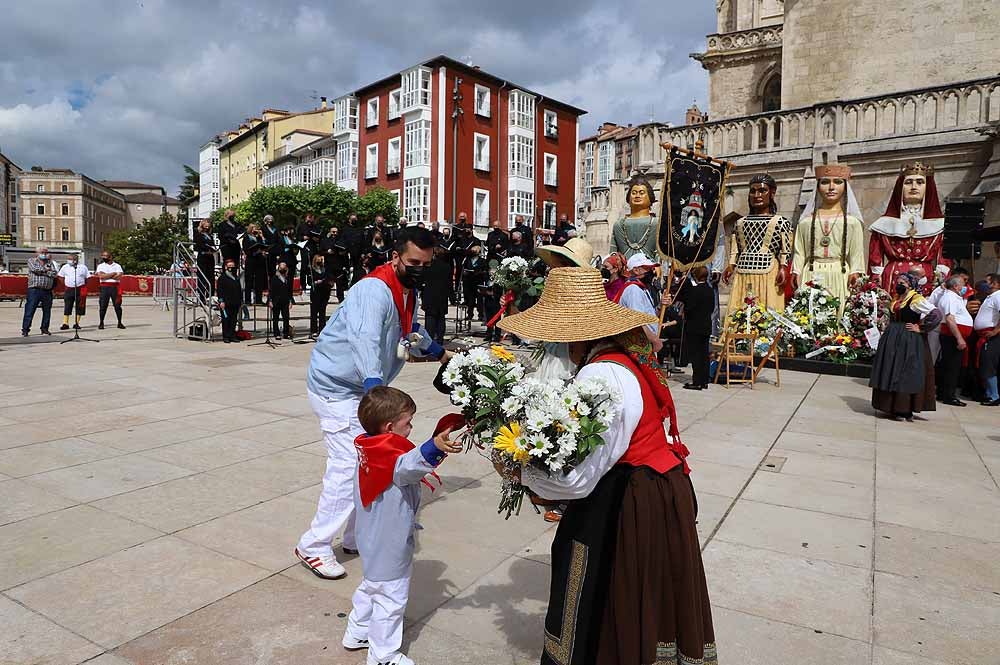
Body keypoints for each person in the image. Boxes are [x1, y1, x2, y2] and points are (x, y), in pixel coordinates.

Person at [496, 267, 716, 665]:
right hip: (651, 488)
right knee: (634, 599)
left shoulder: (603, 374)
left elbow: (579, 479)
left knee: (596, 590)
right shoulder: (621, 358)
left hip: (631, 498)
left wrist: (520, 471)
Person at [295, 227, 450, 581]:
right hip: (338, 389)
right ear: (394, 256)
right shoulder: (373, 290)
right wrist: (375, 392)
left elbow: (411, 332)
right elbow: (365, 339)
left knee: (368, 463)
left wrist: (442, 355)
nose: (419, 269)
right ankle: (314, 546)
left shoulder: (405, 293)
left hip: (359, 389)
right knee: (348, 464)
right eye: (413, 262)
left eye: (426, 264)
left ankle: (354, 536)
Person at [343, 387, 461, 665]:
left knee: (372, 586)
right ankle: (383, 655)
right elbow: (410, 465)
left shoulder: (369, 447)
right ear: (389, 427)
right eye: (407, 423)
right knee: (390, 598)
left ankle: (357, 632)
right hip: (389, 541)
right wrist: (434, 447)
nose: (412, 427)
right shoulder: (392, 460)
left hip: (371, 538)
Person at [791, 164, 866, 316]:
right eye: (825, 182)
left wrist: (856, 273)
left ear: (845, 187)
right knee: (808, 319)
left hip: (839, 274)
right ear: (818, 187)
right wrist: (796, 271)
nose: (831, 187)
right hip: (810, 274)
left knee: (838, 319)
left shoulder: (852, 222)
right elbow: (799, 252)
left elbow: (857, 254)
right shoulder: (805, 222)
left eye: (837, 182)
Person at [869, 272, 941, 421]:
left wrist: (920, 328)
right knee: (890, 368)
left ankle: (904, 408)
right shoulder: (897, 298)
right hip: (892, 336)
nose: (899, 285)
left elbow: (936, 314)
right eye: (898, 282)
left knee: (905, 372)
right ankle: (890, 406)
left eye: (903, 282)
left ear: (911, 284)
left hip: (907, 339)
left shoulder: (916, 299)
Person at [868, 162, 947, 295]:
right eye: (908, 182)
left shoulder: (939, 224)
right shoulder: (884, 224)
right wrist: (876, 285)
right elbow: (875, 259)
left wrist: (940, 282)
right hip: (892, 279)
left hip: (925, 279)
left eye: (920, 182)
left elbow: (944, 260)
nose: (914, 187)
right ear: (901, 187)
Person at [721, 174, 791, 318]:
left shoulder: (781, 222)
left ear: (772, 193)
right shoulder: (739, 222)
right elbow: (735, 248)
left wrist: (783, 267)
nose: (757, 195)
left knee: (768, 314)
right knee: (739, 314)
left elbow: (786, 250)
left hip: (769, 273)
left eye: (762, 191)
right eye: (753, 191)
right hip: (743, 273)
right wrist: (731, 265)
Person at [935, 275, 973, 406]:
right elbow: (950, 319)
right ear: (956, 286)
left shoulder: (956, 297)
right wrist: (959, 338)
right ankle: (948, 395)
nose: (964, 287)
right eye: (962, 284)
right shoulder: (950, 297)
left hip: (953, 336)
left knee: (949, 365)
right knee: (952, 367)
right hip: (952, 337)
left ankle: (943, 392)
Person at [674, 266, 715, 390]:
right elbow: (712, 308)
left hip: (694, 326)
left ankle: (697, 382)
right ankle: (704, 380)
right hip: (706, 325)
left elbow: (689, 307)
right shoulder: (710, 290)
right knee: (704, 355)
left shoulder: (695, 291)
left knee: (696, 356)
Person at [618, 253, 663, 353]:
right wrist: (655, 340)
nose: (652, 271)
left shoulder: (641, 288)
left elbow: (648, 317)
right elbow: (638, 322)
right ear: (636, 270)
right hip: (638, 346)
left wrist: (661, 306)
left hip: (644, 343)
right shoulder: (633, 290)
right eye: (647, 268)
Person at [610, 177, 659, 260]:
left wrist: (658, 266)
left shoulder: (657, 223)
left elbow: (660, 251)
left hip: (650, 269)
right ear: (628, 197)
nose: (637, 196)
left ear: (650, 197)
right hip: (625, 270)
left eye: (641, 193)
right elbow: (613, 252)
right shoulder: (619, 225)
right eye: (634, 193)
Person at [974, 273, 1000, 406]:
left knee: (989, 365)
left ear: (995, 284)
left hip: (991, 336)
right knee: (984, 365)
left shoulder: (998, 296)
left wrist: (995, 331)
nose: (984, 284)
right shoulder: (990, 297)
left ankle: (994, 395)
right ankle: (989, 394)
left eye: (987, 282)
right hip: (983, 336)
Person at [420, 244, 453, 345]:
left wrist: (421, 289)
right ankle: (440, 339)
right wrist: (452, 297)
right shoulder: (447, 267)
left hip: (430, 294)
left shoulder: (428, 265)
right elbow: (449, 283)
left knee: (430, 318)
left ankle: (429, 339)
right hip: (442, 295)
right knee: (441, 318)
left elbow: (421, 279)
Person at [21, 246, 57, 336]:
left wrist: (45, 271)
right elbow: (35, 269)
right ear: (37, 253)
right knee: (30, 309)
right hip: (34, 290)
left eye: (46, 252)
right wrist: (47, 271)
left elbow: (54, 273)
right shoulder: (32, 260)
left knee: (47, 311)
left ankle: (44, 328)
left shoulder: (50, 262)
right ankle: (25, 329)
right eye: (42, 252)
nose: (44, 254)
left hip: (47, 290)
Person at [57, 253, 90, 330]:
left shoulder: (83, 267)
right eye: (68, 259)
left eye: (70, 259)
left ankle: (77, 323)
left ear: (75, 260)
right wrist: (66, 284)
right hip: (69, 289)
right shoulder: (65, 267)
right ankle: (65, 323)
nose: (69, 261)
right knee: (68, 305)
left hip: (80, 288)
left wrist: (82, 284)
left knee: (80, 306)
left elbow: (87, 278)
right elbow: (61, 277)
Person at [95, 251, 126, 330]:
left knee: (117, 305)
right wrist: (113, 273)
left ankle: (119, 322)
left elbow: (118, 277)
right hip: (104, 287)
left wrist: (107, 275)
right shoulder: (101, 266)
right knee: (103, 306)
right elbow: (101, 276)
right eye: (103, 256)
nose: (104, 258)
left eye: (106, 256)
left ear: (110, 257)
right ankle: (101, 322)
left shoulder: (117, 266)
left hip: (115, 287)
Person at [320, 225, 350, 303]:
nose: (335, 233)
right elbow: (320, 251)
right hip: (329, 265)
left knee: (340, 284)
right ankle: (325, 299)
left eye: (336, 232)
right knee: (328, 283)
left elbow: (346, 251)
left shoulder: (341, 240)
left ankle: (341, 300)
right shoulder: (325, 241)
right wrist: (327, 252)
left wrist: (343, 252)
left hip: (339, 265)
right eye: (333, 232)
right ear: (330, 232)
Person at [217, 257, 243, 343]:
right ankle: (226, 336)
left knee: (233, 320)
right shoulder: (222, 278)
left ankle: (232, 335)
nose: (231, 267)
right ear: (225, 267)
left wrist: (240, 300)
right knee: (226, 320)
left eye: (233, 266)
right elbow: (220, 291)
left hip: (235, 302)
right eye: (229, 266)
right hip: (225, 303)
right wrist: (221, 301)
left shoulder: (236, 277)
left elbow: (239, 290)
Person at [242, 223, 268, 305]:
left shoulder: (259, 238)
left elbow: (264, 244)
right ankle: (248, 300)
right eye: (253, 228)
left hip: (259, 260)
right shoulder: (246, 238)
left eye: (256, 228)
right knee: (249, 280)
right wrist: (254, 252)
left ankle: (258, 300)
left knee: (259, 280)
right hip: (251, 260)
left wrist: (262, 236)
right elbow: (246, 249)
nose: (255, 230)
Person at [461, 245, 488, 321]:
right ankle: (469, 314)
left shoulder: (482, 261)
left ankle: (481, 315)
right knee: (470, 300)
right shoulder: (467, 260)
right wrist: (465, 272)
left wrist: (479, 272)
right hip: (469, 282)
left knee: (479, 300)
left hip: (478, 281)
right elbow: (464, 269)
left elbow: (485, 270)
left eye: (475, 251)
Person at [269, 261, 293, 340]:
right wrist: (270, 300)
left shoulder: (288, 278)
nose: (282, 269)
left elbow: (290, 291)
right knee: (275, 318)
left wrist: (290, 301)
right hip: (276, 301)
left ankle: (286, 333)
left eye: (284, 267)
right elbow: (271, 290)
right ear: (278, 268)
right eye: (281, 267)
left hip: (285, 301)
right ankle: (276, 333)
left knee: (286, 318)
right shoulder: (274, 278)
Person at [297, 213, 322, 288]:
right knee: (304, 267)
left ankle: (312, 282)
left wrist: (316, 239)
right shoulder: (301, 226)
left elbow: (319, 237)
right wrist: (303, 237)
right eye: (309, 218)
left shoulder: (316, 227)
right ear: (306, 218)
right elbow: (298, 236)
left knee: (314, 266)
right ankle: (303, 284)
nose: (310, 220)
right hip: (305, 248)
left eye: (312, 218)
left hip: (313, 249)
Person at [309, 254, 332, 337]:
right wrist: (315, 282)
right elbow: (309, 281)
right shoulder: (311, 270)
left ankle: (322, 329)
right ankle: (313, 330)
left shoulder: (324, 269)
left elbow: (328, 278)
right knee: (314, 313)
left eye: (321, 260)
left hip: (324, 292)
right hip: (315, 293)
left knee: (322, 313)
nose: (320, 261)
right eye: (318, 260)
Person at [194, 219, 216, 301]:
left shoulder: (210, 235)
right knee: (202, 277)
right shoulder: (199, 234)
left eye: (209, 224)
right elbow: (198, 245)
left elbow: (212, 244)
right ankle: (202, 297)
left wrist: (213, 249)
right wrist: (206, 248)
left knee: (211, 277)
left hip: (210, 257)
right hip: (203, 257)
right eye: (206, 223)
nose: (207, 225)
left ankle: (211, 296)